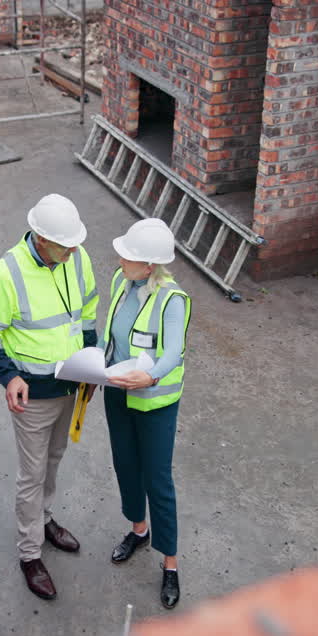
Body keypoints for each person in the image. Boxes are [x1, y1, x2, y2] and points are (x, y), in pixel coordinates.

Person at [0, 193, 99, 601]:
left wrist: (92, 363)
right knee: (33, 473)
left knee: (55, 458)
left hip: (72, 385)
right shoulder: (6, 273)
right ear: (40, 239)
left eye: (75, 243)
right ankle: (30, 554)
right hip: (33, 395)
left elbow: (88, 311)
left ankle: (44, 520)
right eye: (64, 245)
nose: (73, 250)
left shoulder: (76, 257)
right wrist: (8, 377)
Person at [99, 218, 191, 609]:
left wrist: (149, 376)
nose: (120, 259)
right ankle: (138, 530)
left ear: (149, 265)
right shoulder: (122, 284)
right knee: (125, 465)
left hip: (154, 404)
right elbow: (111, 336)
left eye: (128, 257)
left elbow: (173, 352)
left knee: (158, 480)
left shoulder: (173, 301)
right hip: (117, 393)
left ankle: (170, 564)